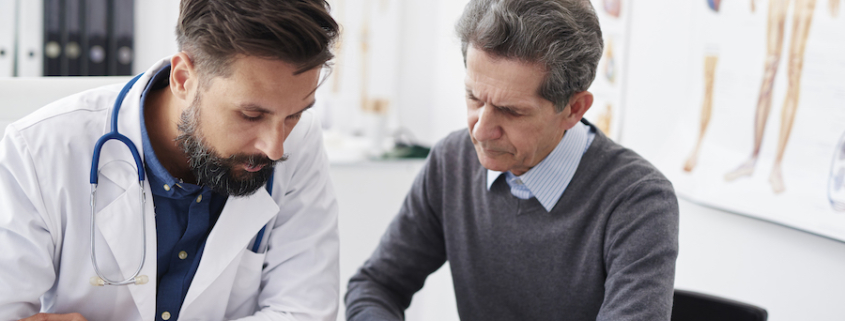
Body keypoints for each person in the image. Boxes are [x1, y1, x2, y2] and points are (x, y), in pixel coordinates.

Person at [0, 0, 340, 320]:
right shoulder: (38, 152)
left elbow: (304, 311)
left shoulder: (301, 142)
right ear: (183, 79)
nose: (275, 148)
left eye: (295, 114)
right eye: (251, 115)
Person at [345, 0, 679, 320]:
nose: (482, 130)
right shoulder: (452, 162)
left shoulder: (638, 201)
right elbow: (376, 287)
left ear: (574, 109)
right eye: (474, 98)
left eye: (511, 111)